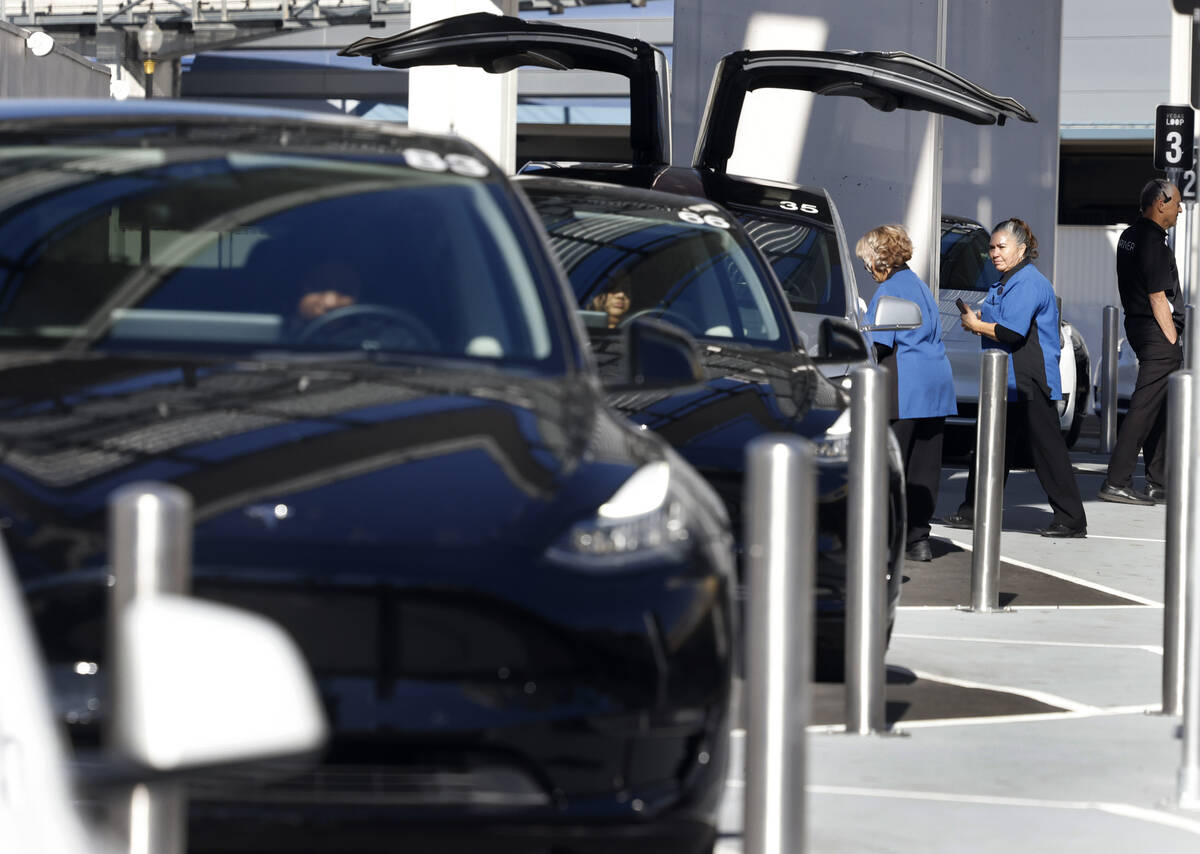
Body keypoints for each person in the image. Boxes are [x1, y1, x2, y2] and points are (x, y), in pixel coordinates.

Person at [945, 218, 1088, 538]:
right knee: (989, 448)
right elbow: (1005, 320)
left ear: (1021, 249)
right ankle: (974, 511)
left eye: (1001, 247)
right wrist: (982, 319)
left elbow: (1012, 331)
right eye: (992, 247)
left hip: (1028, 378)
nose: (994, 253)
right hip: (1004, 379)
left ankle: (1072, 518)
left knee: (1046, 451)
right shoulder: (1005, 282)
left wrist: (975, 324)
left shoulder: (1027, 283)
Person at [856, 225, 957, 562]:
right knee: (924, 468)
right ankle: (919, 540)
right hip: (936, 384)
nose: (867, 269)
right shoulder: (919, 285)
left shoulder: (890, 290)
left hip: (904, 385)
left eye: (866, 262)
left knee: (890, 466)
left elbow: (878, 344)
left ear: (878, 258)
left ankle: (885, 540)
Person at [1098, 178, 1186, 505]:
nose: (1180, 209)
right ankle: (1116, 480)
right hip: (1156, 333)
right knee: (1144, 406)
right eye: (1176, 203)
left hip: (1137, 326)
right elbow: (1158, 297)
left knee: (1158, 405)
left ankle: (1158, 481)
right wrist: (1173, 340)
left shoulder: (1129, 237)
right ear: (1160, 203)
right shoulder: (1153, 244)